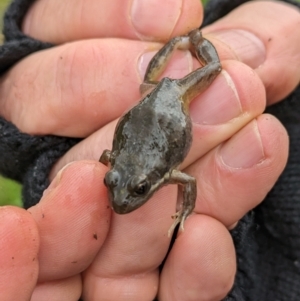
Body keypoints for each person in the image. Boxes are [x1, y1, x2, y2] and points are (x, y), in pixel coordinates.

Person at [0, 0, 299, 300]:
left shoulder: (165, 174)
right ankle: (177, 43)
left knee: (215, 67)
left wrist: (185, 211)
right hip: (152, 110)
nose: (120, 200)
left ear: (152, 180)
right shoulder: (143, 171)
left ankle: (189, 40)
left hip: (175, 97)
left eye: (139, 190)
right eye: (113, 182)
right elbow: (118, 161)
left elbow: (186, 180)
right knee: (153, 81)